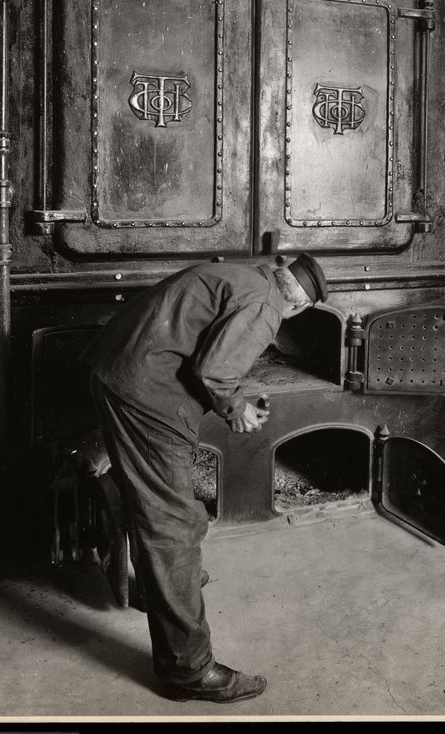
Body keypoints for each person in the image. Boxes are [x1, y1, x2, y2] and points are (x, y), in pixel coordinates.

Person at [80, 254, 329, 703]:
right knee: (172, 527)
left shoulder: (242, 272)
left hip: (115, 372)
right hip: (148, 399)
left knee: (165, 509)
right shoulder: (267, 305)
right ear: (298, 307)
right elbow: (214, 372)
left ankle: (158, 589)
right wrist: (238, 410)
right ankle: (187, 670)